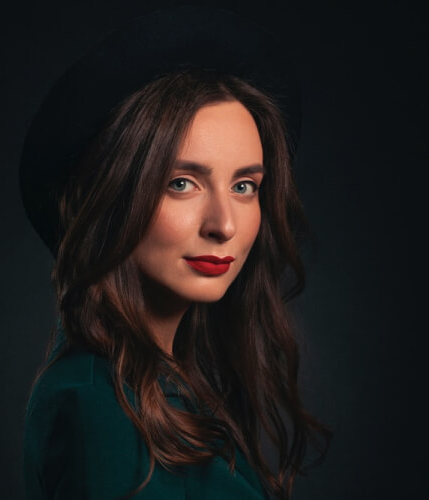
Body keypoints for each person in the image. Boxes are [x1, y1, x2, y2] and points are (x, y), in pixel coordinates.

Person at [20, 6, 330, 500]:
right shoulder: (99, 407)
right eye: (182, 183)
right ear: (115, 196)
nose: (224, 224)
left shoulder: (160, 386)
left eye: (245, 186)